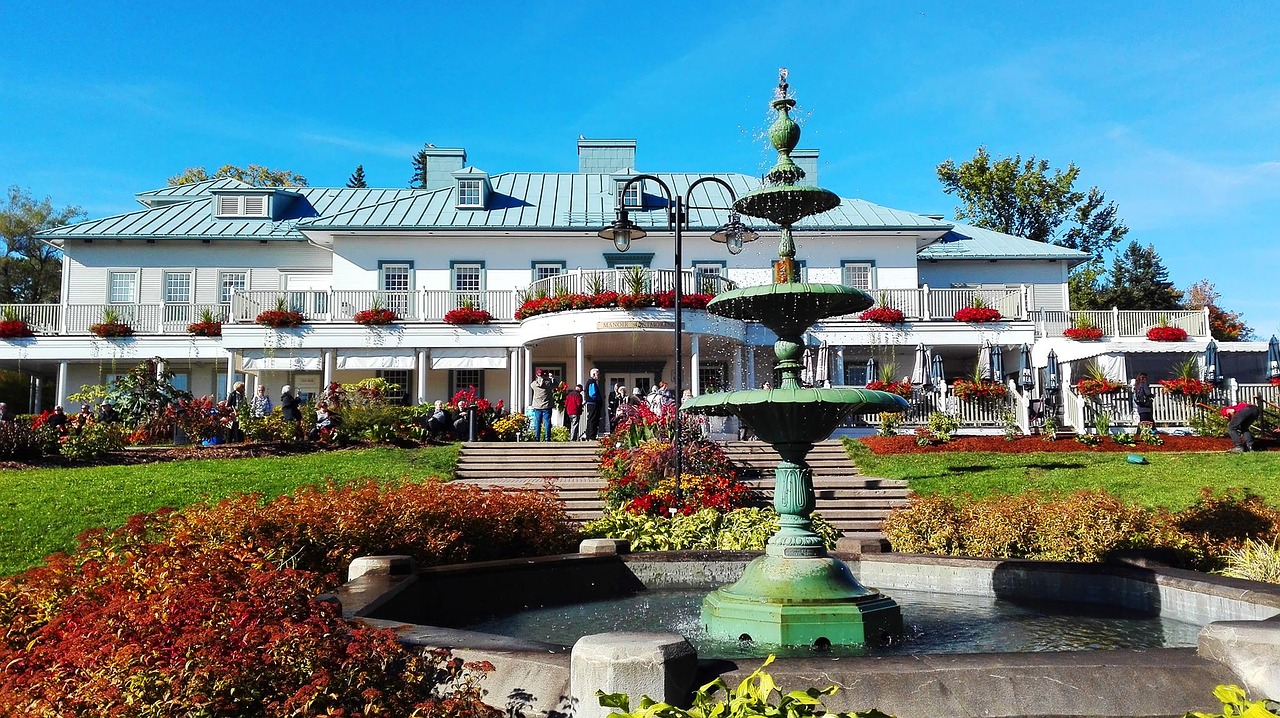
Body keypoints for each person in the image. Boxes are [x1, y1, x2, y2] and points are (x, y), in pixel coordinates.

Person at [530, 369, 553, 441]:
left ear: (537, 375)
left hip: (537, 407)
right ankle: (547, 437)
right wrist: (550, 378)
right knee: (547, 422)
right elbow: (555, 385)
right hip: (547, 406)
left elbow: (534, 383)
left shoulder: (534, 384)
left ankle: (537, 437)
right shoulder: (548, 384)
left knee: (537, 422)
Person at [583, 368, 602, 439]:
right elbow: (592, 394)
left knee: (591, 419)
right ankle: (591, 435)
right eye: (598, 374)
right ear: (594, 374)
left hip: (592, 403)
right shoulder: (592, 382)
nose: (599, 375)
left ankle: (590, 435)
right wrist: (598, 400)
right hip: (593, 404)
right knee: (593, 419)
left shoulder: (592, 382)